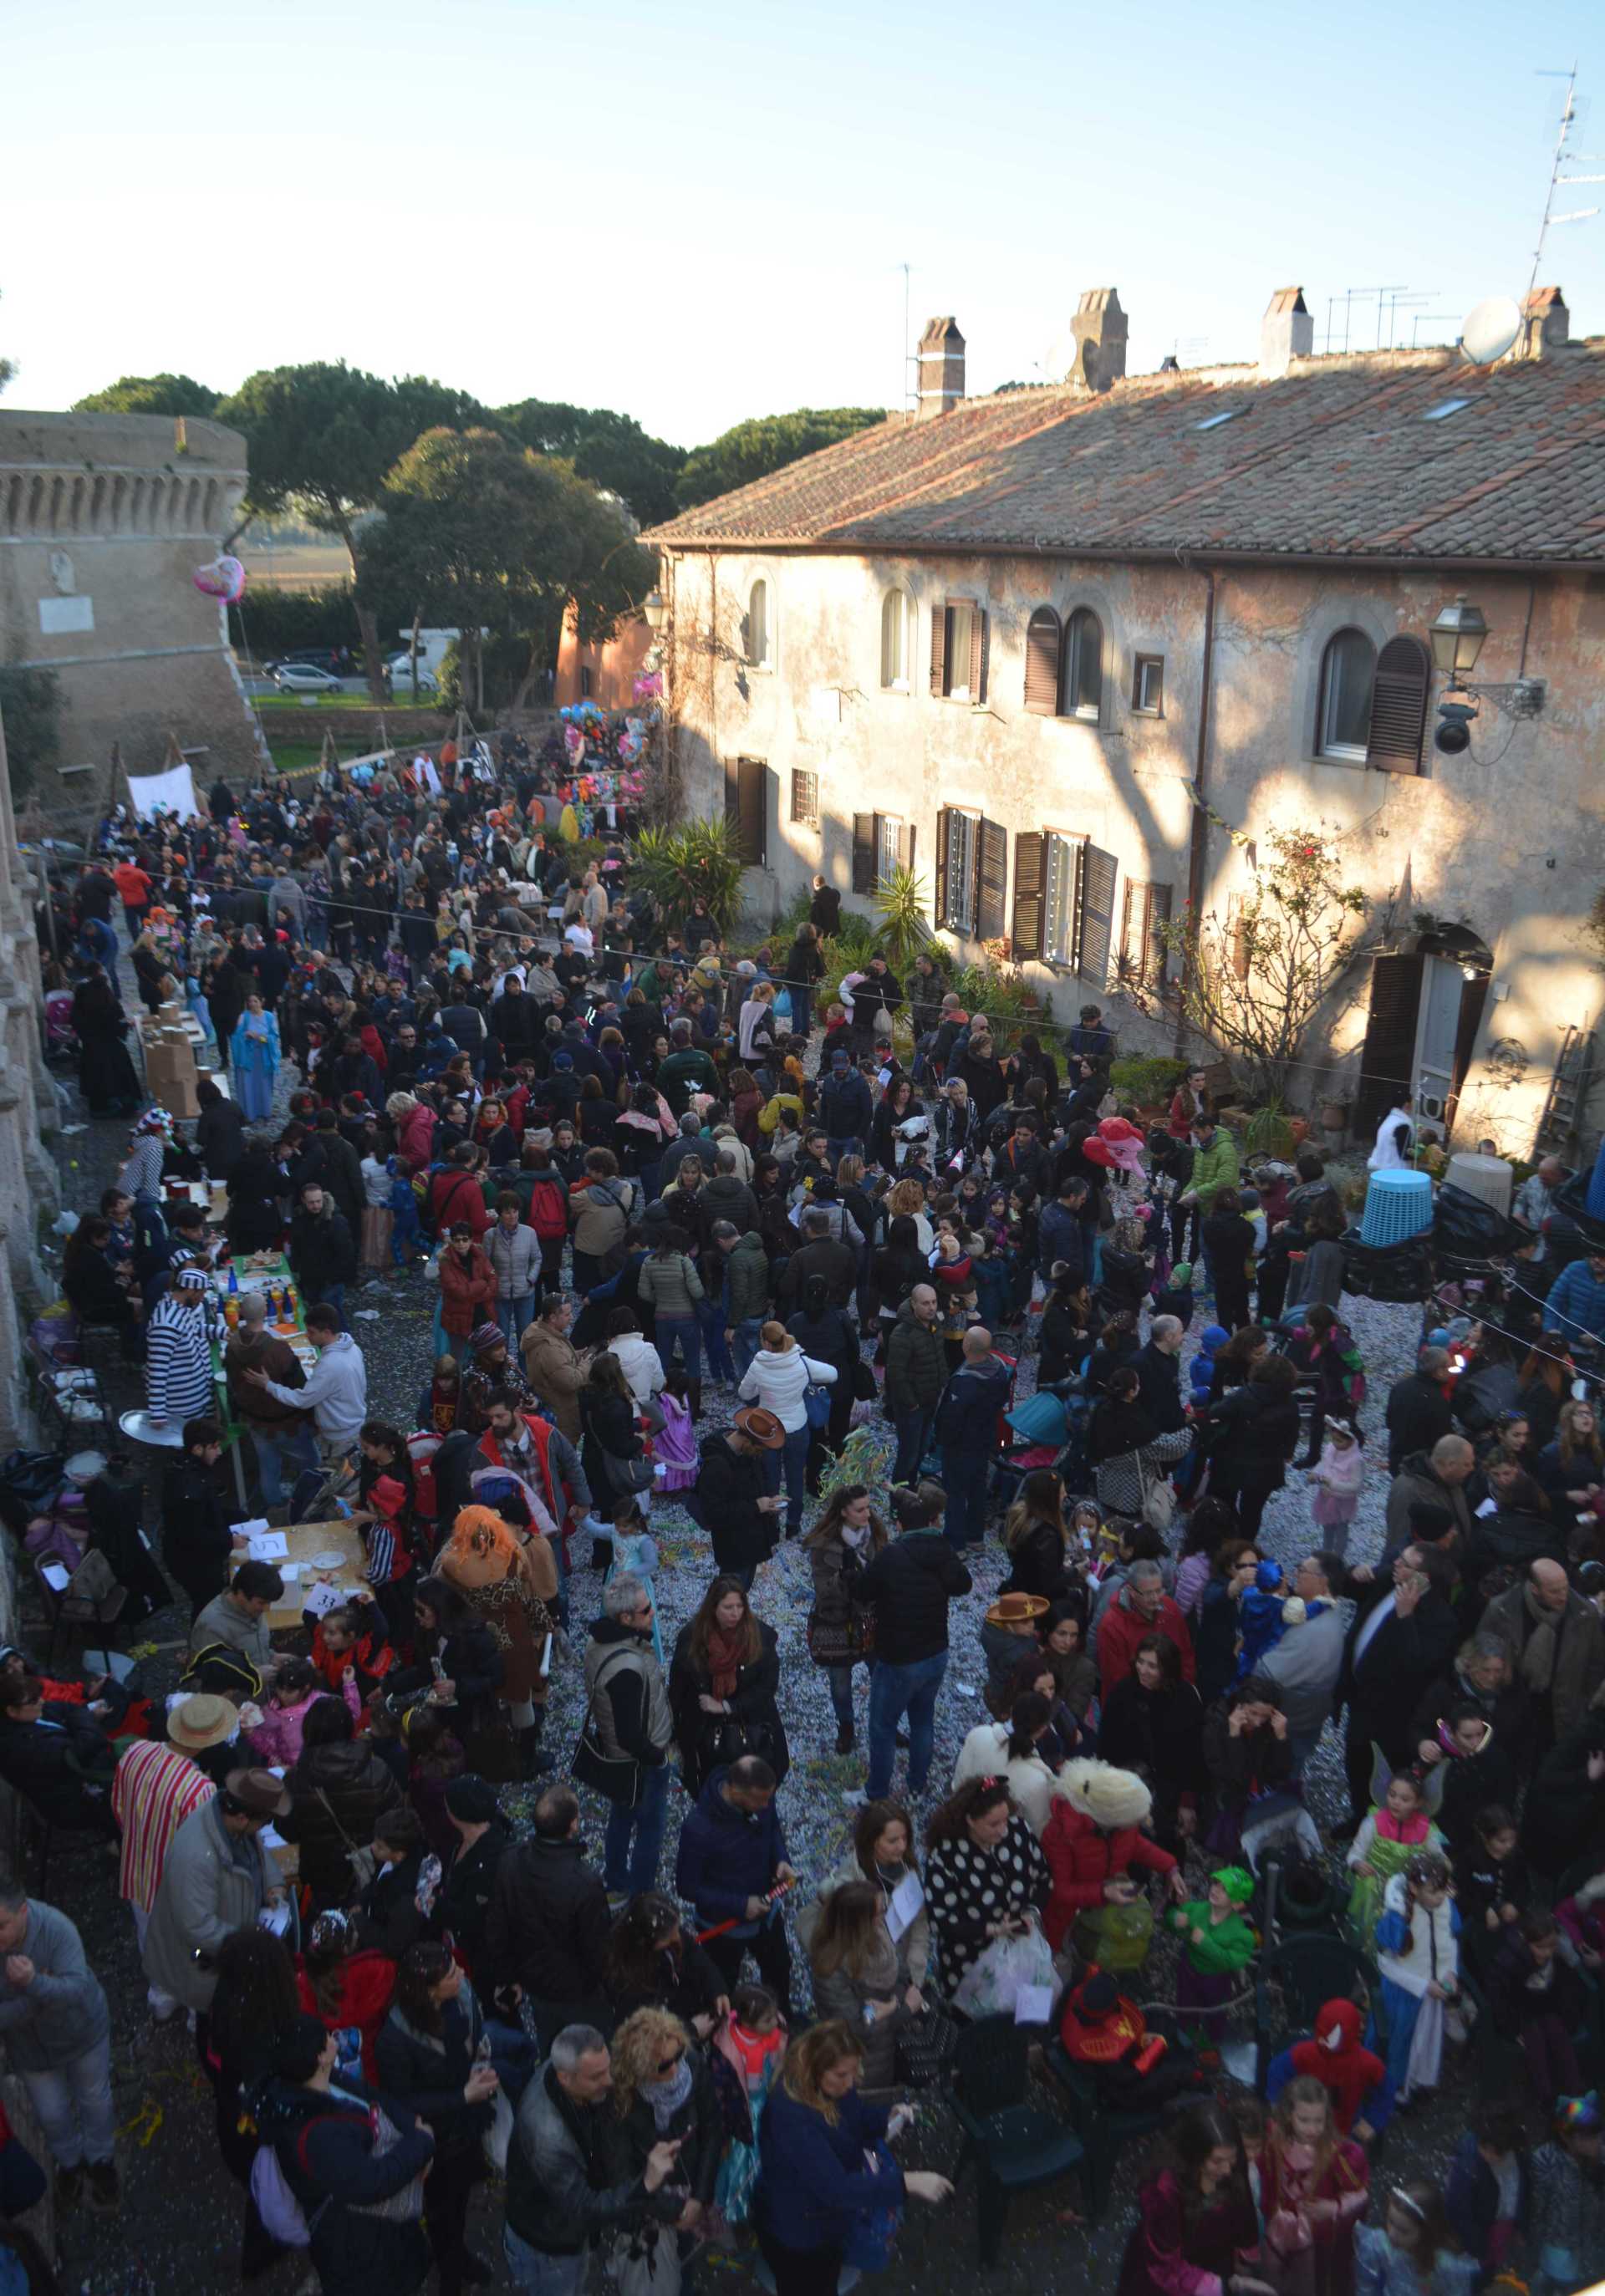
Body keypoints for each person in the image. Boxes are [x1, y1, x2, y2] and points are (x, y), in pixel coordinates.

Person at [754, 2020, 951, 2295]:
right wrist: (907, 2183)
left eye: (853, 2073)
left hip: (826, 2226)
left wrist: (887, 2117)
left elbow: (854, 2117)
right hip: (801, 2238)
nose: (850, 2084)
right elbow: (837, 2189)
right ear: (814, 2068)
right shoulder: (789, 2118)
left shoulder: (828, 2086)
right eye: (841, 2075)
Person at [253, 2014, 436, 2296]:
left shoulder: (310, 2086)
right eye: (326, 2037)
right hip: (364, 2249)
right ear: (321, 2058)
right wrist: (421, 2144)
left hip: (366, 2232)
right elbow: (373, 2183)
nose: (333, 2037)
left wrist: (410, 2124)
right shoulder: (321, 2138)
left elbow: (370, 2096)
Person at [503, 2021, 685, 2296]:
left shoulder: (567, 2076)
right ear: (566, 2077)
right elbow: (585, 2207)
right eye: (597, 2077)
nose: (609, 2081)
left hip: (560, 2230)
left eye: (607, 2069)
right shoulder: (547, 2137)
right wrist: (646, 2184)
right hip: (550, 2248)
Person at [373, 1942, 499, 2296]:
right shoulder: (395, 2041)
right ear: (429, 1990)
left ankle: (457, 2257)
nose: (461, 1975)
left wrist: (481, 2061)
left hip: (465, 2128)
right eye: (451, 1974)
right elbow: (403, 2102)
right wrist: (462, 2096)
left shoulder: (461, 1997)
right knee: (442, 2213)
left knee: (459, 2204)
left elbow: (476, 2035)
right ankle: (450, 2272)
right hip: (435, 2142)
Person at [0, 1874, 118, 2216]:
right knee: (51, 2114)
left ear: (22, 1911)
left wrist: (33, 1984)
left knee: (95, 2100)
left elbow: (77, 1992)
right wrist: (38, 1996)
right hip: (32, 2052)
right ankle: (69, 2163)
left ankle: (101, 2160)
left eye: (2, 1925)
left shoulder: (56, 1929)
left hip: (82, 2036)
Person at [141, 1767, 288, 2024]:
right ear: (243, 1818)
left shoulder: (227, 1817)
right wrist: (251, 1946)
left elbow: (257, 1850)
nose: (263, 1829)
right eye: (264, 1823)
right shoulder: (197, 1857)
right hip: (201, 1959)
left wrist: (272, 1882)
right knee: (205, 2012)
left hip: (226, 1944)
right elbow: (197, 1927)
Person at [858, 1479, 971, 1803]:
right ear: (933, 1522)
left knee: (882, 1727)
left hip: (899, 1659)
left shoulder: (892, 1555)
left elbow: (862, 1592)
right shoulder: (942, 1549)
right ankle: (917, 1785)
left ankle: (876, 1793)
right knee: (923, 1721)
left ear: (898, 1524)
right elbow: (963, 1584)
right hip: (937, 1652)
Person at [599, 2008, 722, 2296]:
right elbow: (621, 2175)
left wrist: (700, 2197)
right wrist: (674, 2211)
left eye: (679, 2055)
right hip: (650, 2204)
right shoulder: (619, 2102)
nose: (678, 2070)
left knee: (686, 2261)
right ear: (639, 2068)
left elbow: (713, 2130)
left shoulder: (693, 2065)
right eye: (664, 2065)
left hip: (690, 2188)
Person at [483, 1784, 610, 2044]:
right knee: (592, 2046)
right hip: (577, 1991)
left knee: (551, 2045)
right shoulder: (585, 1884)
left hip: (535, 1981)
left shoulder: (510, 1860)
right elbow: (596, 1949)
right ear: (573, 1825)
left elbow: (497, 1926)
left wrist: (508, 1977)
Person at [675, 1754, 796, 2010]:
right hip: (723, 1927)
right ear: (735, 1791)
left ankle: (781, 2019)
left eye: (769, 1798)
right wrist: (740, 1905)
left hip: (767, 1914)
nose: (766, 1805)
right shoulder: (698, 1829)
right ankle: (722, 2037)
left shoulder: (762, 1797)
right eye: (760, 1801)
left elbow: (772, 1828)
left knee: (779, 1968)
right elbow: (687, 1886)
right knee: (722, 1985)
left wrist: (781, 1859)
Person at [1117, 2097, 1267, 2296]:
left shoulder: (1231, 2161)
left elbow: (1244, 2207)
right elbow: (1165, 2267)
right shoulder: (1164, 2188)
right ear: (1195, 2154)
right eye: (1217, 2161)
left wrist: (1247, 2258)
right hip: (1173, 2273)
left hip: (1215, 2257)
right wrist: (1222, 2287)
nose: (1227, 2170)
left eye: (1232, 2160)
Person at [584, 1575, 675, 1901]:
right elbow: (630, 1735)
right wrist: (659, 1757)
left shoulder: (601, 1643)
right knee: (650, 1827)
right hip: (639, 1761)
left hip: (618, 1759)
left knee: (621, 1817)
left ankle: (616, 1879)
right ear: (626, 1618)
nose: (653, 1613)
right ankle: (640, 1894)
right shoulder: (626, 1668)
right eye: (646, 1609)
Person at [278, 1697, 406, 1912]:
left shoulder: (296, 1780)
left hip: (321, 1873)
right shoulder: (377, 1769)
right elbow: (397, 1819)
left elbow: (287, 1830)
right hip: (371, 1868)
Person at [924, 1774, 1050, 1992]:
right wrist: (994, 1929)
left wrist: (1030, 1913)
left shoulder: (1018, 1830)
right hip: (969, 1962)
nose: (1003, 1830)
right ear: (970, 1820)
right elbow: (942, 1923)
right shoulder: (945, 1857)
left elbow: (1044, 1879)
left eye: (1005, 1819)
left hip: (1018, 1949)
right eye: (994, 1824)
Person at [669, 1577, 787, 1798]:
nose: (735, 1613)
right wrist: (674, 1733)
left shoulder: (758, 1636)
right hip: (706, 1733)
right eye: (728, 1607)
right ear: (713, 1608)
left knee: (756, 1792)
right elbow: (678, 1689)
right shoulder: (692, 1639)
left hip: (752, 1729)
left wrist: (727, 1706)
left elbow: (767, 1686)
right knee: (713, 1794)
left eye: (740, 1606)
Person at [1480, 1555, 1605, 1753]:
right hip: (1513, 1708)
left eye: (1565, 1587)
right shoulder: (1502, 1609)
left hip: (1561, 1713)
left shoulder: (1585, 1614)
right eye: (1554, 1591)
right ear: (1535, 1589)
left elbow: (1596, 1664)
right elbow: (1484, 1654)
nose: (1563, 1596)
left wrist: (1583, 1705)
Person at [1258, 2077, 1369, 2296]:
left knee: (1317, 2281)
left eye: (1319, 2121)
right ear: (1289, 2116)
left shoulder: (1338, 2152)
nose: (1312, 2128)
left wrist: (1334, 2207)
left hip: (1318, 2235)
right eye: (1304, 2120)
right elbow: (1266, 2178)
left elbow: (1360, 2193)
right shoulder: (1275, 2141)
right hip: (1281, 2227)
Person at [1098, 1636, 1207, 1848]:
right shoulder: (1122, 1693)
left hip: (1170, 1790)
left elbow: (1193, 1753)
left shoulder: (1185, 1697)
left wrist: (1187, 1801)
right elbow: (1106, 1745)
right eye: (1140, 1662)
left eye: (1152, 1666)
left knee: (1170, 1844)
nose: (1143, 1670)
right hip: (1128, 1787)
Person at [803, 1484, 887, 1755]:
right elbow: (822, 1593)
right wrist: (842, 1578)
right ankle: (846, 1727)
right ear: (843, 1512)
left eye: (868, 1507)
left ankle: (885, 1724)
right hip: (838, 1623)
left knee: (883, 1678)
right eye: (860, 1509)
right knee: (840, 1683)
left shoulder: (875, 1533)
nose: (867, 1514)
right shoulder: (824, 1545)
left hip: (874, 1620)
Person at [737, 1322, 837, 1540]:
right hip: (797, 1428)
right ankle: (793, 1525)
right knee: (795, 1478)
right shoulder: (801, 1362)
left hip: (768, 1432)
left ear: (764, 1341)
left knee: (770, 1480)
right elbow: (833, 1374)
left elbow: (745, 1393)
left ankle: (772, 1528)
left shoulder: (758, 1365)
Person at [224, 1291, 318, 1510]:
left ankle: (273, 1504)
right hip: (286, 1421)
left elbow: (232, 1384)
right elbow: (300, 1388)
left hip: (255, 1419)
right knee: (311, 1461)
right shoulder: (279, 1349)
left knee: (268, 1464)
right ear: (266, 1312)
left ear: (240, 1314)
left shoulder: (232, 1347)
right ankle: (309, 1501)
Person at [244, 1301, 368, 1467]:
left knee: (338, 1481)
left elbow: (302, 1400)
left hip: (339, 1435)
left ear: (327, 1332)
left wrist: (268, 1385)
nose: (307, 1335)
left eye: (311, 1332)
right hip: (354, 1424)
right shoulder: (353, 1348)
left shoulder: (331, 1365)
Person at [933, 1325, 1011, 1550]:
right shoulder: (998, 1370)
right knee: (977, 1489)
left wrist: (942, 1439)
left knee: (956, 1493)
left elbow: (951, 1417)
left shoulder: (965, 1382)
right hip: (984, 1439)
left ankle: (955, 1543)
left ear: (966, 1346)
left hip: (961, 1445)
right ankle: (975, 1538)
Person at [602, 1892, 726, 2034]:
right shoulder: (627, 1982)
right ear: (647, 1942)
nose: (678, 1937)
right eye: (670, 1937)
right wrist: (691, 2029)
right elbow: (646, 2032)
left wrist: (717, 1988)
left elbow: (695, 1953)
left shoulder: (667, 1929)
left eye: (678, 1929)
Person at [691, 1405, 785, 1590]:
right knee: (730, 1594)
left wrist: (769, 1500)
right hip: (734, 1548)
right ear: (747, 1441)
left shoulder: (748, 1454)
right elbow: (714, 1514)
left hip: (751, 1542)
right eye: (761, 1448)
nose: (763, 1452)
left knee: (743, 1590)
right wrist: (756, 1506)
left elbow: (758, 1482)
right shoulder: (717, 1466)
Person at [952, 1691, 1061, 1835]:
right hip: (1000, 1842)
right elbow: (1040, 1830)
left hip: (962, 1821)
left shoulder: (978, 1734)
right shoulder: (1037, 1781)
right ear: (1043, 1729)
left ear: (1011, 1712)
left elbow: (958, 1784)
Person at [1353, 2180, 1480, 2296]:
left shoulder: (1446, 2265)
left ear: (1426, 2232)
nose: (1392, 2234)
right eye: (1390, 2221)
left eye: (1404, 2231)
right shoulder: (1380, 2244)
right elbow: (1366, 2284)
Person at [1098, 1560, 1195, 1697]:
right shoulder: (1112, 1625)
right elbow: (1117, 1678)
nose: (1156, 1598)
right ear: (1131, 1591)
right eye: (1148, 1593)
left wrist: (1184, 1691)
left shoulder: (1170, 1609)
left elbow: (1185, 1654)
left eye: (1159, 1591)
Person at [884, 1283, 946, 1485]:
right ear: (913, 1304)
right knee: (908, 1456)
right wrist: (911, 1403)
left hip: (931, 1400)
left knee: (921, 1449)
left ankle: (911, 1489)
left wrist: (942, 1385)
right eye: (926, 1303)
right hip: (912, 1407)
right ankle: (898, 1500)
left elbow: (939, 1357)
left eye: (934, 1302)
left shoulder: (935, 1325)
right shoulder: (902, 1335)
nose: (931, 1307)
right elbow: (896, 1374)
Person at [144, 1262, 215, 1428]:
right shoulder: (166, 1325)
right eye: (202, 1293)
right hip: (183, 1404)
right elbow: (157, 1372)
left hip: (197, 1396)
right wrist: (157, 1414)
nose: (203, 1298)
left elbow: (191, 1330)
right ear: (190, 1291)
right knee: (191, 1443)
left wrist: (220, 1332)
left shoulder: (179, 1307)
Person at [188, 1559, 284, 1678]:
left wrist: (271, 1657)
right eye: (262, 1603)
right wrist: (253, 1677)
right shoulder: (211, 1627)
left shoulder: (252, 1607)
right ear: (241, 1594)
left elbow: (248, 1647)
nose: (267, 1609)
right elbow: (208, 1678)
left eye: (269, 1602)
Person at [1386, 1347, 1455, 1476]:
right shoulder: (1437, 1401)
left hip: (1397, 1458)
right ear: (1439, 1371)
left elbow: (1389, 1422)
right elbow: (1442, 1439)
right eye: (1449, 1368)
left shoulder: (1400, 1387)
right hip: (1419, 1467)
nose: (1451, 1373)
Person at [230, 993, 280, 1122]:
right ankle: (249, 1113)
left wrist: (260, 1037)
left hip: (264, 1056)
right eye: (250, 1001)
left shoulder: (269, 1017)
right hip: (248, 1057)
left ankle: (265, 1111)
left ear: (261, 1001)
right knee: (248, 1084)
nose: (252, 1004)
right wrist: (245, 1036)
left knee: (264, 1084)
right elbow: (236, 1037)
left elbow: (274, 1036)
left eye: (255, 1001)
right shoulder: (243, 1017)